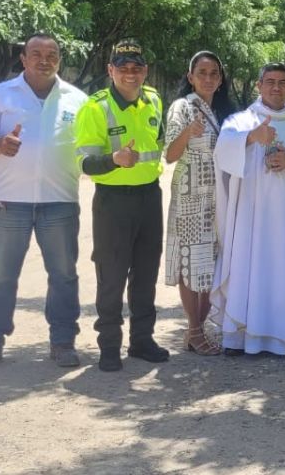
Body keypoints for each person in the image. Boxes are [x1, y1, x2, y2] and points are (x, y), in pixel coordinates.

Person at [0, 33, 90, 372]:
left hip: (60, 202)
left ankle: (63, 342)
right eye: (35, 53)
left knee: (64, 275)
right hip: (10, 203)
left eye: (52, 54)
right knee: (1, 276)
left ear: (60, 60)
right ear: (23, 59)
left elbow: (89, 147)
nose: (44, 59)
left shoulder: (77, 100)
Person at [211, 63, 285, 357]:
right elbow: (222, 153)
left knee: (281, 268)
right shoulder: (241, 120)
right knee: (244, 266)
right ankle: (236, 337)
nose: (276, 87)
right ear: (259, 86)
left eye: (282, 82)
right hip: (247, 215)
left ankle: (279, 338)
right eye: (270, 81)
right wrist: (251, 138)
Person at [74, 38, 169, 372]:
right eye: (123, 68)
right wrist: (114, 159)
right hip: (113, 203)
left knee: (146, 273)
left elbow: (158, 145)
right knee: (111, 274)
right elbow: (84, 163)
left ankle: (142, 340)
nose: (131, 74)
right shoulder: (95, 108)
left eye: (137, 68)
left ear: (145, 71)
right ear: (110, 70)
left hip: (149, 196)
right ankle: (109, 345)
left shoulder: (155, 100)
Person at [163, 50, 238, 356]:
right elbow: (169, 155)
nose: (208, 78)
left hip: (217, 193)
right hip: (190, 192)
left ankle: (198, 328)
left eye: (214, 74)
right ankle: (194, 330)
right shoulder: (182, 107)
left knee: (211, 261)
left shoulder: (224, 112)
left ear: (220, 80)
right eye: (202, 73)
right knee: (189, 261)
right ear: (190, 77)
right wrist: (187, 132)